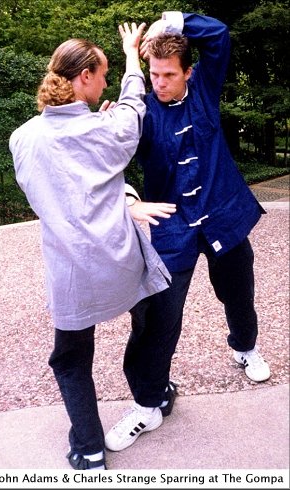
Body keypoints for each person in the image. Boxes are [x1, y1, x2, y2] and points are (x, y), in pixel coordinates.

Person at [9, 22, 177, 470]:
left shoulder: (22, 138)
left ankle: (88, 448)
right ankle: (156, 393)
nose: (105, 81)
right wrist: (129, 54)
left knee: (70, 358)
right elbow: (132, 102)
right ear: (85, 77)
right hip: (121, 262)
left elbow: (55, 196)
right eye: (100, 73)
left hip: (71, 273)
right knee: (150, 314)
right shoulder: (107, 130)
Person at [105, 11, 271, 453]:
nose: (158, 82)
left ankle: (245, 347)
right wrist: (130, 200)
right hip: (170, 227)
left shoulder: (203, 92)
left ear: (187, 73)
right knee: (157, 318)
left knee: (239, 293)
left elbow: (217, 34)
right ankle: (147, 402)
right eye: (153, 74)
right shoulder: (138, 112)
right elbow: (106, 165)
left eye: (167, 75)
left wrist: (169, 24)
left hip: (223, 214)